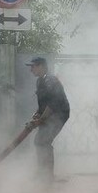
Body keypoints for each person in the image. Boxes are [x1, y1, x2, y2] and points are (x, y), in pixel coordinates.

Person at [25, 56, 70, 184]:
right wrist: (37, 115)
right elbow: (43, 103)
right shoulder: (40, 81)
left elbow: (53, 103)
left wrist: (42, 118)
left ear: (41, 66)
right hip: (49, 114)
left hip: (59, 114)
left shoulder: (51, 81)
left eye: (33, 67)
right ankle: (42, 173)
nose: (31, 70)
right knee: (39, 140)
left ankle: (47, 177)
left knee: (43, 141)